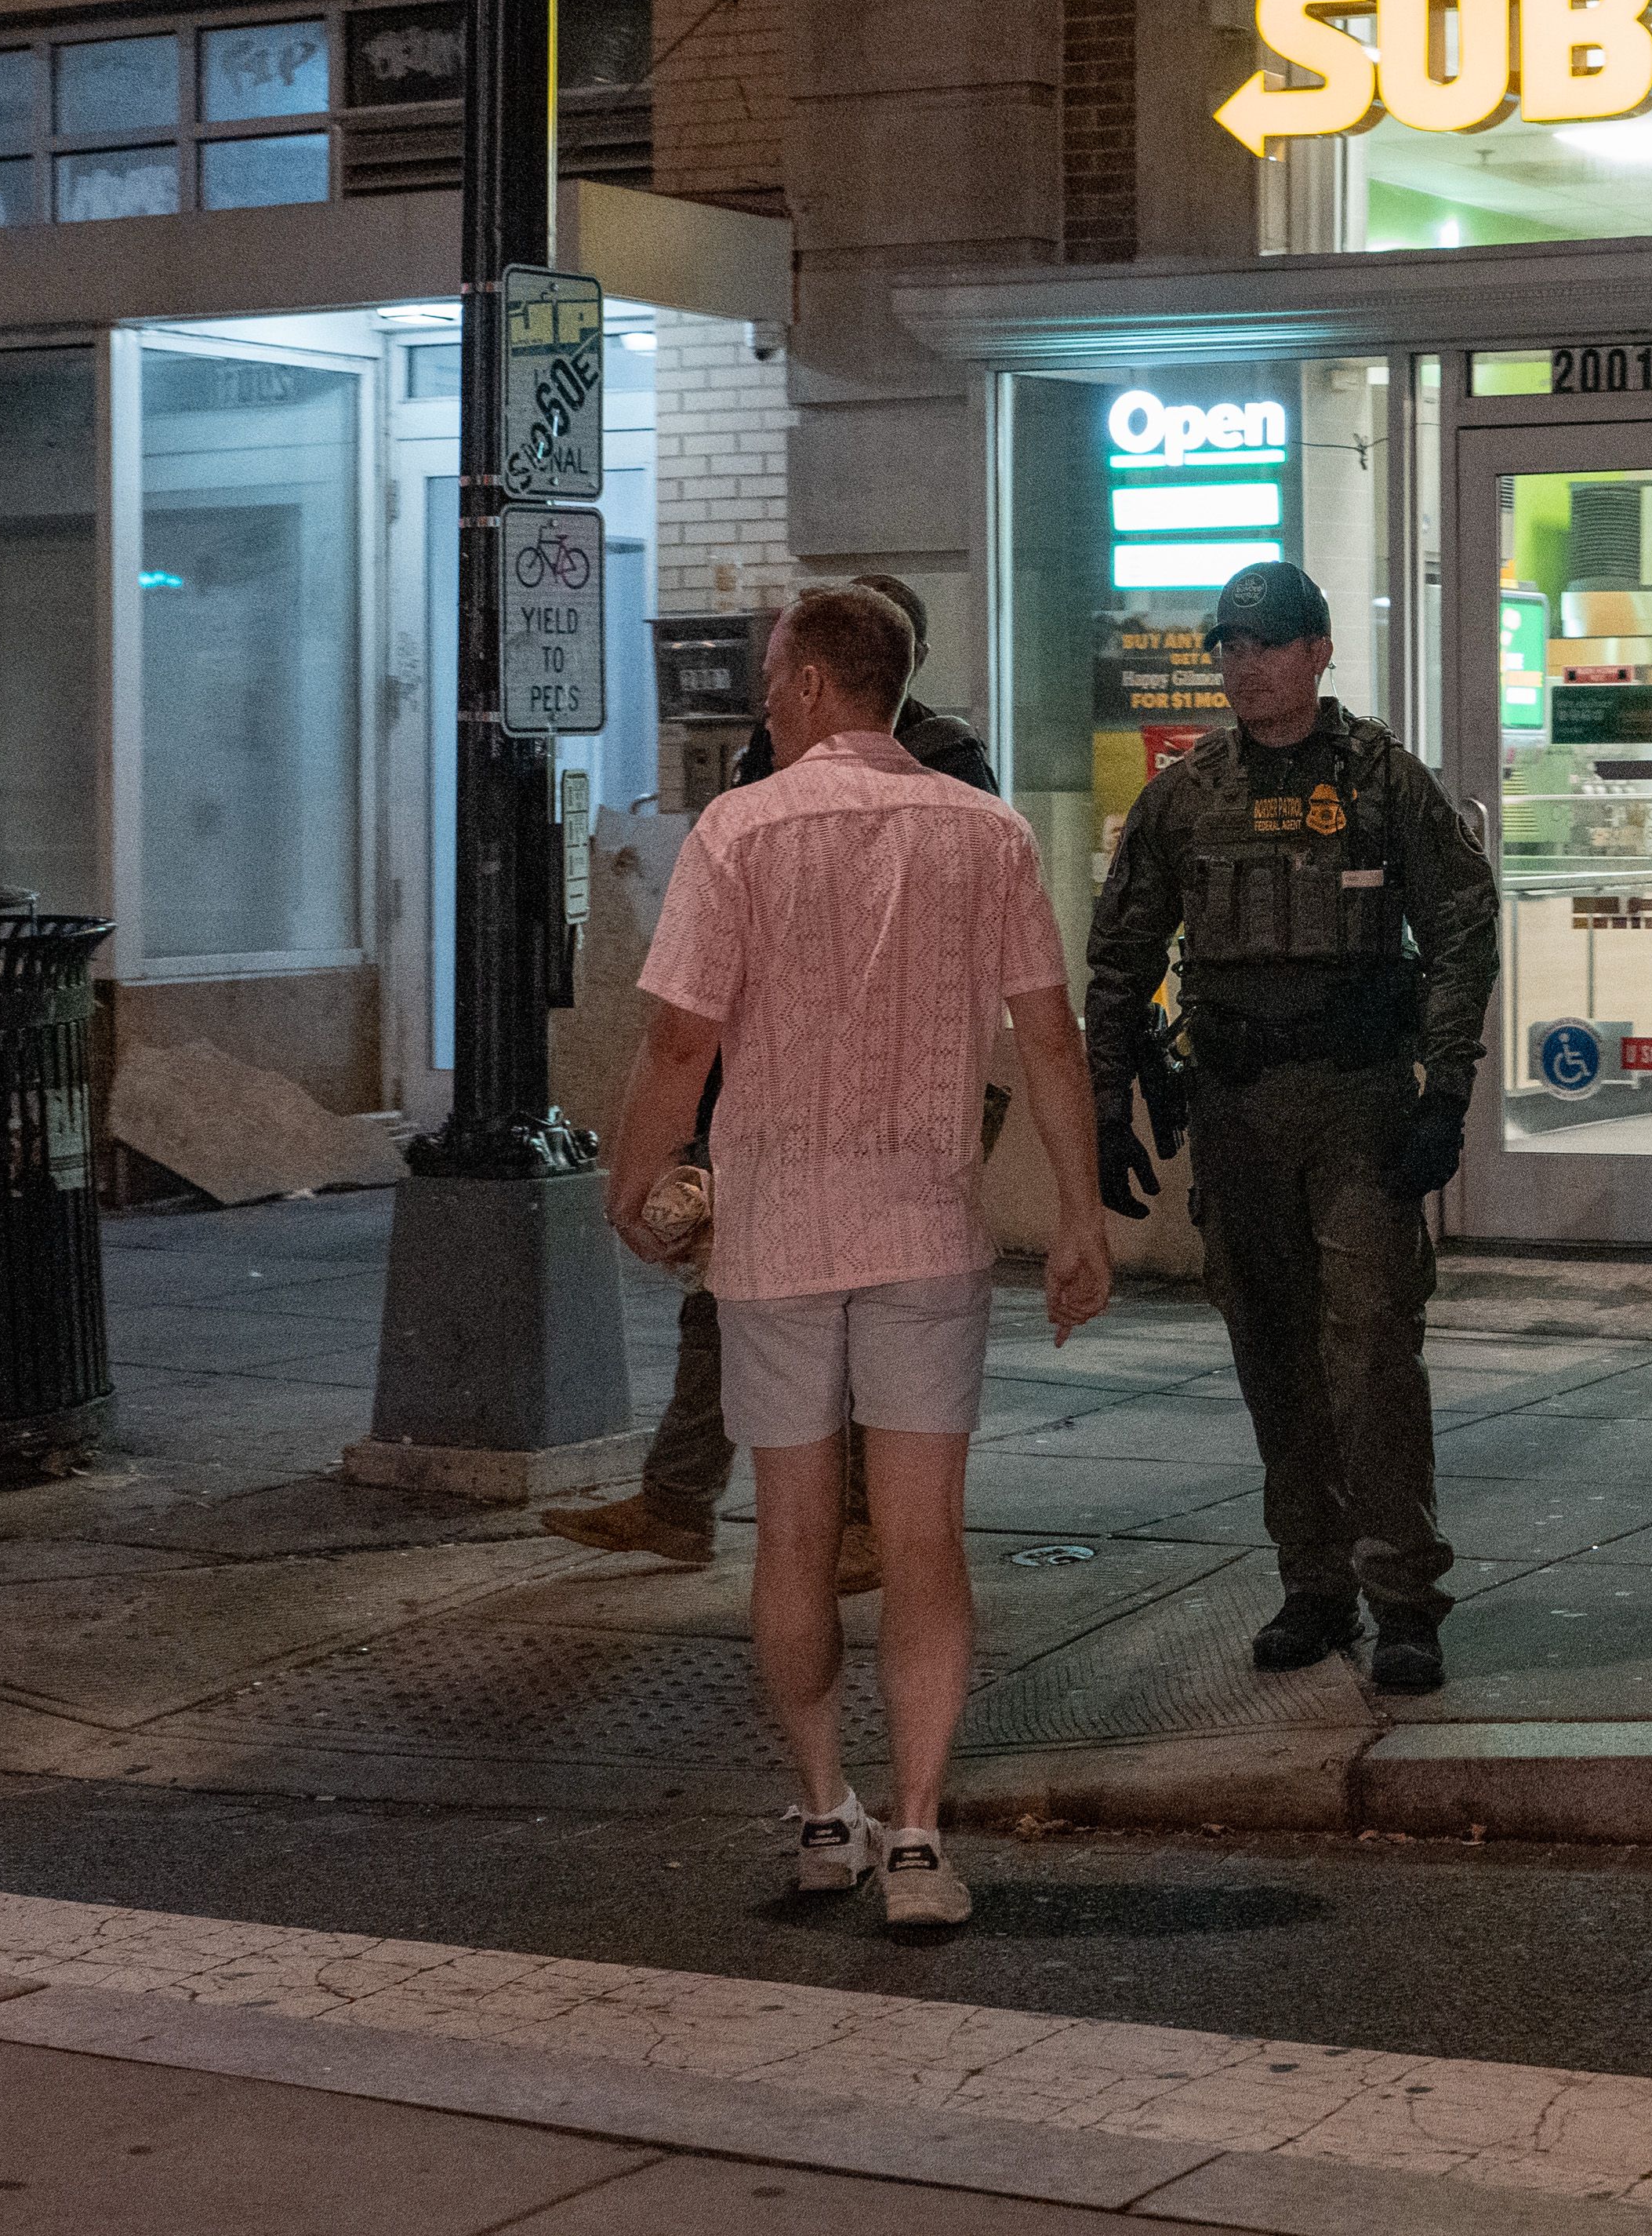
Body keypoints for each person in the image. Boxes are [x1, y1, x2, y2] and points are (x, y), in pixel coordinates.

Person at [601, 584, 1113, 1929]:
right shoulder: (987, 833)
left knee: (791, 1535)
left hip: (774, 1228)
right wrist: (1077, 1214)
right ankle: (924, 1837)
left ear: (823, 683)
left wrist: (631, 1177)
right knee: (927, 1538)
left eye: (775, 678)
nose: (764, 701)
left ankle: (827, 1808)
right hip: (927, 1225)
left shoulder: (741, 831)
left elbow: (678, 1044)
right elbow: (1049, 1039)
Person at [1084, 559, 1499, 1694]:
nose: (1243, 663)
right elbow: (1120, 951)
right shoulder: (1188, 793)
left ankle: (1403, 1593)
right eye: (1227, 644)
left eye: (1266, 643)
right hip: (1235, 1105)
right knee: (1269, 1344)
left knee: (1369, 1344)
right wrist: (1105, 1099)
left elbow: (1464, 925)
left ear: (1319, 651)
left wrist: (1445, 1091)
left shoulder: (1381, 780)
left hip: (1357, 1097)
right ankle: (1313, 1581)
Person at [546, 573, 997, 1586]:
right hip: (767, 1081)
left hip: (886, 1093)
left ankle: (862, 1520)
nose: (777, 689)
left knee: (867, 1315)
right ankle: (678, 1499)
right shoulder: (767, 752)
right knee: (726, 1297)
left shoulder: (944, 762)